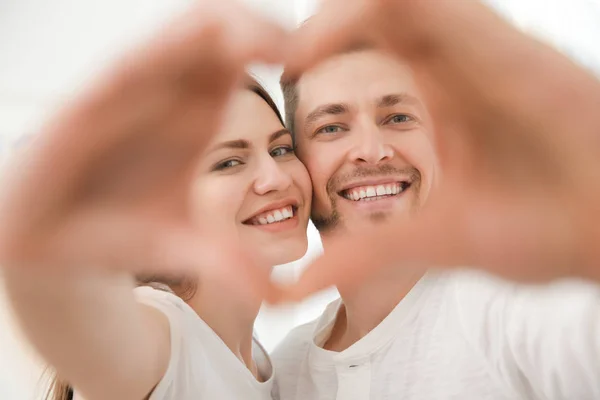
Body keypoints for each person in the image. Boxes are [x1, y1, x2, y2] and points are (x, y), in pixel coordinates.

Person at [271, 1, 600, 399]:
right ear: (296, 160)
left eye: (398, 118)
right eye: (332, 127)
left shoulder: (507, 302)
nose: (372, 150)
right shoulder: (286, 371)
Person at [0, 2, 311, 400]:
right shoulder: (163, 335)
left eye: (281, 149)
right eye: (229, 162)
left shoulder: (263, 362)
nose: (275, 177)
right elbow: (50, 283)